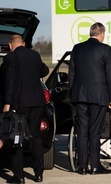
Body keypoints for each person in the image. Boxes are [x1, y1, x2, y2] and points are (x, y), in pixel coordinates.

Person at [69, 22, 111, 175]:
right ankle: (95, 166)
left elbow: (72, 73)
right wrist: (110, 96)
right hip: (98, 95)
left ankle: (82, 166)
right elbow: (110, 75)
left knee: (82, 131)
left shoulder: (77, 48)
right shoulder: (105, 49)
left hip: (80, 95)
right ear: (101, 34)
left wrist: (73, 94)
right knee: (94, 131)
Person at [2, 34, 49, 183]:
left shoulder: (11, 58)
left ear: (11, 45)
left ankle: (19, 176)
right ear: (23, 43)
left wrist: (7, 102)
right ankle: (39, 173)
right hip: (37, 102)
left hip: (20, 103)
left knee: (17, 138)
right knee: (36, 136)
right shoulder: (35, 55)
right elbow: (45, 71)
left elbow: (9, 81)